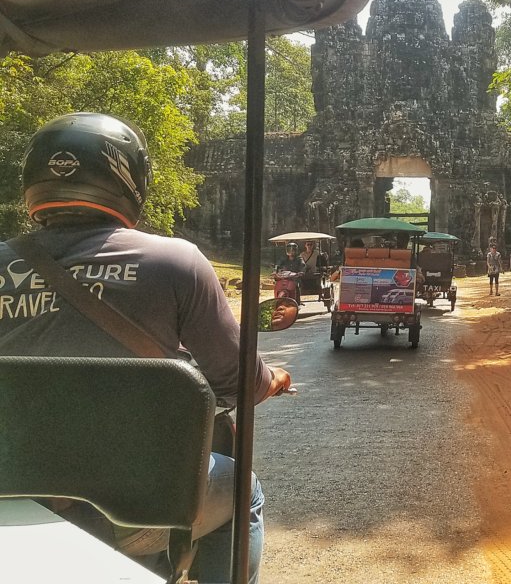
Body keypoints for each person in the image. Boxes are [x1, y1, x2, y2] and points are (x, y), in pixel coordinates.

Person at [0, 112, 292, 583]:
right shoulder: (175, 261)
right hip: (133, 513)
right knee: (245, 491)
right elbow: (238, 382)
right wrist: (272, 379)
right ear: (129, 179)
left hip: (10, 495)